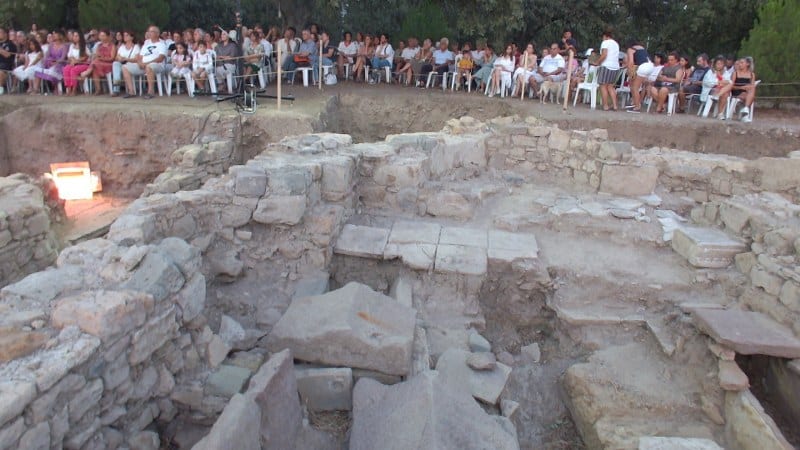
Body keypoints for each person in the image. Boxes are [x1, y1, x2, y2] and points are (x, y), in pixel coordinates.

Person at [122, 25, 168, 99]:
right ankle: (131, 91)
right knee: (125, 67)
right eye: (148, 31)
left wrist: (146, 63)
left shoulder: (162, 44)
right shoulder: (146, 44)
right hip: (143, 65)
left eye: (151, 32)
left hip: (157, 65)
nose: (149, 33)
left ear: (157, 33)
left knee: (150, 66)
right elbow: (140, 57)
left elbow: (160, 58)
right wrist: (140, 63)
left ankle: (150, 92)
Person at [717, 57, 757, 122]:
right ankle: (745, 114)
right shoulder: (735, 73)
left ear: (747, 64)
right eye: (739, 63)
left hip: (747, 93)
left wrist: (748, 87)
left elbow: (752, 85)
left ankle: (745, 109)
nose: (740, 64)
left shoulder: (752, 74)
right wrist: (741, 87)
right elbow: (730, 86)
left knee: (752, 88)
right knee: (747, 94)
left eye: (742, 63)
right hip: (737, 91)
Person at [33, 30, 67, 94]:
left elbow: (63, 58)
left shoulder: (64, 46)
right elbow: (47, 55)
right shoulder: (51, 45)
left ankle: (56, 88)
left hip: (60, 65)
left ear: (60, 36)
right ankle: (36, 89)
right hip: (50, 64)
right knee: (37, 71)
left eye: (55, 34)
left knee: (54, 70)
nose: (53, 35)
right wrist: (48, 61)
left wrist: (56, 62)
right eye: (53, 34)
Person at [623, 39, 652, 113]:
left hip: (643, 67)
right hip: (650, 66)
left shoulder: (630, 49)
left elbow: (631, 62)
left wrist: (629, 72)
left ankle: (637, 106)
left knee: (635, 87)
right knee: (632, 84)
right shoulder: (641, 48)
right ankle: (634, 103)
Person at [595, 28, 621, 111]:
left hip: (606, 66)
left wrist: (597, 62)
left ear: (605, 36)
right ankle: (615, 105)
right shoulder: (616, 44)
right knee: (610, 86)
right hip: (615, 67)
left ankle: (605, 105)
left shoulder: (605, 42)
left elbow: (604, 55)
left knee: (603, 86)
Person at [87, 30, 116, 95]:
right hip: (99, 63)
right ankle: (98, 89)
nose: (101, 37)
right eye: (100, 36)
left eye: (103, 36)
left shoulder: (112, 46)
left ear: (108, 36)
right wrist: (98, 57)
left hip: (108, 64)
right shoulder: (99, 45)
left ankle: (87, 72)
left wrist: (101, 58)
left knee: (95, 63)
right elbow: (97, 55)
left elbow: (112, 58)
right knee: (95, 66)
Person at [62, 31, 90, 96]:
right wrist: (73, 60)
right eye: (74, 36)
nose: (75, 37)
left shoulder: (84, 46)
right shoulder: (72, 46)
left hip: (83, 64)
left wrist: (77, 60)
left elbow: (87, 56)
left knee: (73, 70)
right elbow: (69, 56)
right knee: (66, 69)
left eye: (76, 36)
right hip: (74, 63)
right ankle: (68, 89)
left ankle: (74, 89)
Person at [0, 27, 18, 95]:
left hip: (6, 64)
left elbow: (7, 55)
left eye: (0, 32)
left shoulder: (11, 44)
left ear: (5, 34)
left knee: (0, 72)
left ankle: (0, 88)